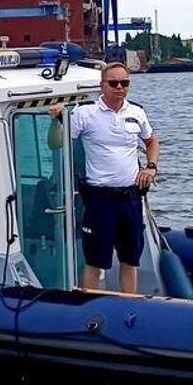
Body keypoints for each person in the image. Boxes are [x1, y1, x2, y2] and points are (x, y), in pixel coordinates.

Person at [48, 62, 159, 293]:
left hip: (130, 198)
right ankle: (90, 307)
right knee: (95, 261)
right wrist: (56, 120)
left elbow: (151, 141)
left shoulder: (136, 112)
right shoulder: (85, 113)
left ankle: (130, 306)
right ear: (102, 86)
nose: (120, 87)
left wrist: (150, 167)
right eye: (114, 83)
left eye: (125, 83)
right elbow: (57, 143)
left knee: (130, 259)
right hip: (100, 200)